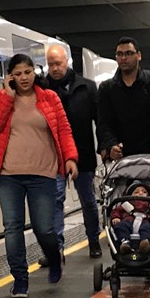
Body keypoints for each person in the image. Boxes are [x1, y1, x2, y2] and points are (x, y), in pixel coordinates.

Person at [0, 53, 79, 298]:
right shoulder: (2, 98)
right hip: (9, 175)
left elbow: (65, 130)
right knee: (12, 227)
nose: (24, 77)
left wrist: (70, 158)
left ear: (34, 72)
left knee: (44, 228)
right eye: (18, 73)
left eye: (27, 72)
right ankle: (20, 279)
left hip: (43, 173)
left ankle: (54, 257)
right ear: (10, 77)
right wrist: (7, 96)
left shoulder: (49, 98)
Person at [36, 45, 101, 267]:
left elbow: (100, 122)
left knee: (88, 200)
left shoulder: (87, 88)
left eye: (58, 63)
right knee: (55, 201)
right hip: (52, 156)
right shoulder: (41, 90)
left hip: (82, 154)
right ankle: (57, 249)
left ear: (67, 62)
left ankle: (94, 240)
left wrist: (104, 146)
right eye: (50, 64)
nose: (54, 68)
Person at [97, 36, 150, 161]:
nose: (123, 58)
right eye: (119, 54)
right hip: (121, 156)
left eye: (129, 53)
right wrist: (110, 144)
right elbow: (104, 122)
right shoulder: (106, 88)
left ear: (139, 55)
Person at [110, 181, 150, 255]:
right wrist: (116, 217)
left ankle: (145, 243)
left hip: (146, 221)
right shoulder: (126, 204)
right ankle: (125, 242)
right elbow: (116, 211)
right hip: (128, 220)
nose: (141, 193)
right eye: (136, 192)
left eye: (144, 192)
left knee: (148, 228)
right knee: (120, 227)